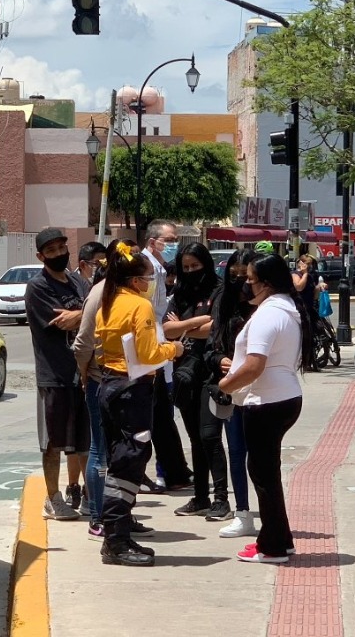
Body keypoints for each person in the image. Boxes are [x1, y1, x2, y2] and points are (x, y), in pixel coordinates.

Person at [93, 242, 184, 566]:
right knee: (130, 461)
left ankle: (117, 534)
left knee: (122, 459)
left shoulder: (110, 300)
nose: (151, 282)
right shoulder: (139, 306)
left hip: (110, 385)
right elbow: (148, 354)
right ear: (135, 281)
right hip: (132, 390)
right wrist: (173, 350)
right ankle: (116, 542)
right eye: (147, 277)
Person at [217, 253, 308, 564]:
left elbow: (255, 365)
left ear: (266, 284)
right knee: (266, 473)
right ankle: (279, 538)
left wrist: (224, 387)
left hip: (267, 401)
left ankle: (273, 547)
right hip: (282, 398)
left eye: (251, 280)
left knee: (263, 474)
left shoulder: (270, 314)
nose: (246, 284)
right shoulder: (285, 309)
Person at [25, 228, 89, 521]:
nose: (58, 254)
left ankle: (91, 496)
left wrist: (80, 314)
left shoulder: (77, 281)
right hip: (54, 376)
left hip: (84, 374)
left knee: (86, 442)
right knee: (53, 442)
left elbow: (95, 313)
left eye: (61, 247)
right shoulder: (38, 287)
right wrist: (83, 315)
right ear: (40, 256)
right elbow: (60, 322)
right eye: (51, 251)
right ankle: (52, 499)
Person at [163, 242, 231, 521]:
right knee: (195, 438)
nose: (191, 272)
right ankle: (201, 497)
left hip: (212, 373)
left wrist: (184, 325)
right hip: (185, 373)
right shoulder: (180, 294)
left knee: (210, 436)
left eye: (195, 266)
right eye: (186, 267)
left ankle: (222, 500)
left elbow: (215, 328)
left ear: (206, 263)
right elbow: (167, 330)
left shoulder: (220, 290)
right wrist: (195, 323)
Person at [73, 241, 130, 535]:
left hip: (126, 381)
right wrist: (86, 375)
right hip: (101, 380)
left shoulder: (128, 292)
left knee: (123, 452)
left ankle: (119, 513)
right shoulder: (100, 293)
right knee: (100, 451)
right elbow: (82, 343)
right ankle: (98, 516)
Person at [141, 219, 192, 492]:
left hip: (158, 353)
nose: (174, 245)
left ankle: (175, 471)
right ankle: (159, 472)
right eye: (170, 240)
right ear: (153, 242)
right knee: (153, 417)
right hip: (149, 355)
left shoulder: (158, 270)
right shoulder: (146, 270)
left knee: (161, 416)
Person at [213, 248, 259, 538]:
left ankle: (270, 512)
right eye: (235, 275)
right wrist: (219, 360)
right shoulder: (224, 301)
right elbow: (213, 344)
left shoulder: (269, 306)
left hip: (263, 389)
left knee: (264, 455)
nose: (241, 281)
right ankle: (242, 512)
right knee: (237, 451)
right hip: (232, 386)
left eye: (247, 276)